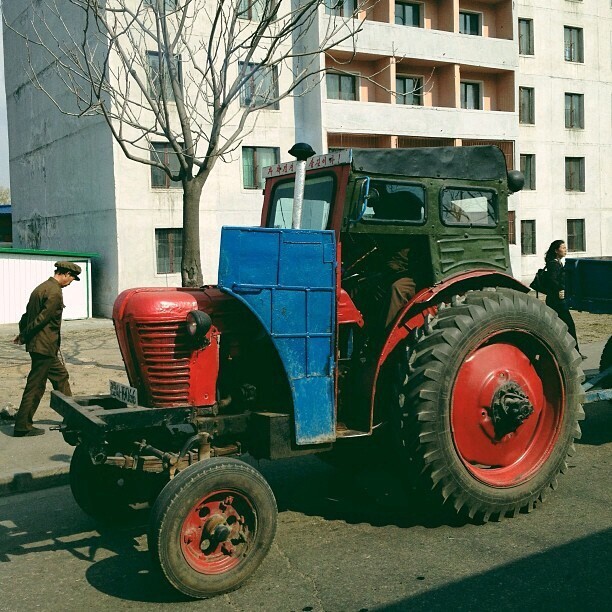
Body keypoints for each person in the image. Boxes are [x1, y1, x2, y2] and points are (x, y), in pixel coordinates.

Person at [12, 261, 82, 437]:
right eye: (71, 279)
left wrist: (24, 333)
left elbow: (26, 316)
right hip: (44, 346)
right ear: (65, 274)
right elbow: (42, 319)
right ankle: (22, 426)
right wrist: (24, 336)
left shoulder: (41, 288)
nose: (70, 283)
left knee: (60, 376)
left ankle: (73, 417)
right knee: (35, 386)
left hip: (42, 345)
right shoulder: (55, 291)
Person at [544, 240, 586, 359]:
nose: (565, 249)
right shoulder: (553, 264)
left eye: (565, 247)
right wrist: (560, 289)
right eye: (563, 248)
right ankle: (575, 353)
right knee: (569, 326)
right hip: (556, 301)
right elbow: (553, 280)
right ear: (556, 250)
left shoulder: (557, 263)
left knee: (561, 326)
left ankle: (572, 353)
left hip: (556, 300)